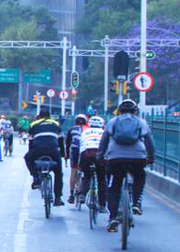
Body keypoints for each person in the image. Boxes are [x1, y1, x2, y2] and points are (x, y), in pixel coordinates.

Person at [97, 99, 155, 232]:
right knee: (139, 177)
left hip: (115, 157)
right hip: (137, 157)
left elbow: (104, 140)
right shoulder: (141, 122)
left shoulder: (113, 122)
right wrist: (151, 157)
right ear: (135, 111)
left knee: (113, 187)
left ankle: (112, 218)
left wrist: (100, 156)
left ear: (119, 111)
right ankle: (136, 204)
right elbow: (149, 142)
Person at [24, 108, 66, 206]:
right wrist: (62, 155)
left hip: (38, 149)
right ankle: (58, 198)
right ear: (49, 116)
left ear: (39, 116)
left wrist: (32, 155)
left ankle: (36, 178)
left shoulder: (33, 124)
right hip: (53, 150)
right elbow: (60, 140)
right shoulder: (56, 123)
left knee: (27, 158)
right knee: (59, 173)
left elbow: (30, 141)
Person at [76, 115, 106, 208]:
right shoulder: (104, 132)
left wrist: (79, 163)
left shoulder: (85, 132)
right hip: (100, 155)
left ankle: (82, 195)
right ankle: (102, 205)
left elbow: (80, 146)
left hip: (86, 154)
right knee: (101, 180)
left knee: (86, 176)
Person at [64, 114, 87, 200]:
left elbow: (67, 144)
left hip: (75, 151)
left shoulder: (72, 129)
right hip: (85, 151)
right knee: (86, 171)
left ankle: (71, 194)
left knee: (73, 171)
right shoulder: (88, 129)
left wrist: (66, 155)